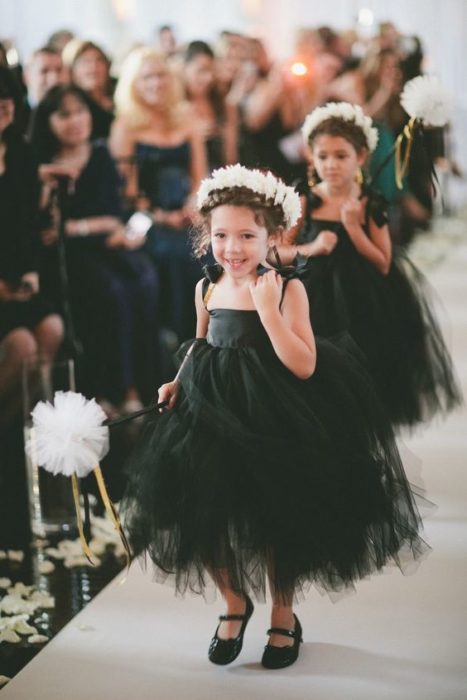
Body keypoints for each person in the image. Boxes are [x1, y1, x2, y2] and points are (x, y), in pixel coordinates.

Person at [122, 164, 426, 670]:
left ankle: (283, 612)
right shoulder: (207, 288)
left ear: (273, 237)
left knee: (275, 516)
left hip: (270, 412)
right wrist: (177, 380)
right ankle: (233, 600)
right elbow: (199, 343)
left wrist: (267, 313)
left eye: (246, 235)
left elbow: (303, 363)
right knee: (206, 507)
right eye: (221, 235)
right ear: (207, 236)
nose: (233, 248)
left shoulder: (286, 289)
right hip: (210, 407)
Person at [279, 102, 461, 429]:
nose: (331, 165)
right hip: (311, 293)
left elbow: (383, 262)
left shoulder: (371, 201)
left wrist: (354, 230)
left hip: (364, 296)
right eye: (323, 157)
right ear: (311, 157)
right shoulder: (306, 198)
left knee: (363, 365)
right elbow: (279, 252)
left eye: (341, 156)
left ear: (361, 157)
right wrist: (313, 247)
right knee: (317, 363)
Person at [31, 84, 160, 413]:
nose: (75, 120)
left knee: (144, 279)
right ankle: (112, 388)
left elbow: (114, 216)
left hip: (102, 244)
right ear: (48, 121)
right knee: (111, 291)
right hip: (65, 255)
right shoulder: (40, 161)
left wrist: (75, 226)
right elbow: (42, 225)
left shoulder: (100, 153)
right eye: (64, 114)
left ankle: (141, 384)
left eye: (80, 111)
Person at [110, 46, 207, 343]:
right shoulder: (126, 125)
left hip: (189, 211)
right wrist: (163, 216)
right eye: (147, 77)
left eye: (162, 75)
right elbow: (127, 192)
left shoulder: (186, 116)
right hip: (147, 216)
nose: (156, 83)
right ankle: (176, 340)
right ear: (133, 84)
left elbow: (200, 175)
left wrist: (192, 207)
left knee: (211, 252)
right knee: (171, 257)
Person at [0, 66, 63, 422]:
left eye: (6, 98)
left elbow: (24, 224)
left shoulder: (21, 153)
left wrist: (28, 272)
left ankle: (22, 435)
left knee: (52, 328)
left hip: (16, 271)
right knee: (21, 346)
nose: (2, 105)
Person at [181, 40, 237, 171]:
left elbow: (231, 159)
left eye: (211, 71)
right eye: (201, 71)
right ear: (184, 68)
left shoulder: (224, 105)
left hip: (219, 179)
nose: (208, 78)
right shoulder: (175, 106)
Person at [62, 40, 114, 139]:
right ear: (71, 70)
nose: (93, 67)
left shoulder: (119, 98)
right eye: (85, 61)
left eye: (99, 60)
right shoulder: (68, 105)